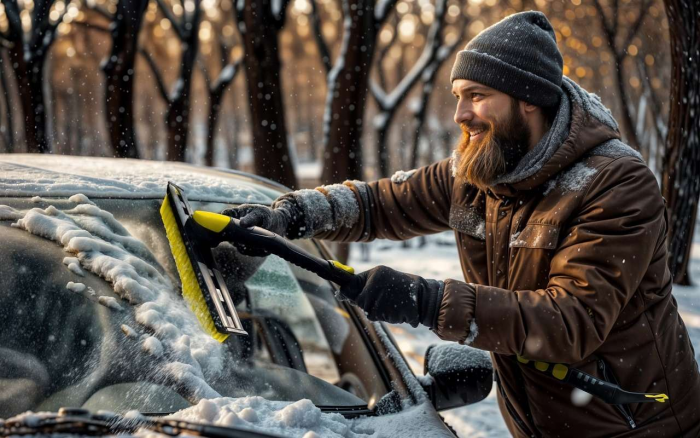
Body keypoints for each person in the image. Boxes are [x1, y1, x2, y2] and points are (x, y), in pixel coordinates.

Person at [223, 11, 700, 437]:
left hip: (637, 424)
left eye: (477, 95)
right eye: (458, 96)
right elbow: (380, 202)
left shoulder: (614, 183)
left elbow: (569, 322)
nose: (460, 113)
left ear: (528, 98)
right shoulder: (480, 171)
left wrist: (425, 301)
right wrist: (292, 213)